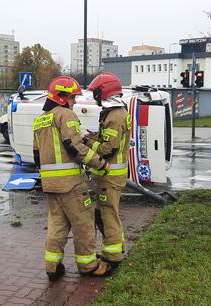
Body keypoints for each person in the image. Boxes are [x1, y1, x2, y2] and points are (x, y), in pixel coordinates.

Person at [33, 76, 111, 280]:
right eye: (73, 98)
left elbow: (36, 155)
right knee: (83, 223)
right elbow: (75, 147)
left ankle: (52, 266)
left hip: (49, 184)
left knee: (57, 226)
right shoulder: (66, 115)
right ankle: (89, 266)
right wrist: (100, 163)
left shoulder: (40, 119)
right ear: (62, 97)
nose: (75, 102)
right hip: (71, 184)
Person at [84, 72, 131, 276]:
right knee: (109, 213)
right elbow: (110, 141)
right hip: (112, 176)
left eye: (97, 92)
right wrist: (96, 136)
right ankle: (117, 249)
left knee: (107, 215)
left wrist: (87, 142)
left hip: (109, 177)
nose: (95, 96)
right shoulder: (115, 112)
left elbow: (107, 149)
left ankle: (112, 258)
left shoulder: (114, 115)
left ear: (105, 91)